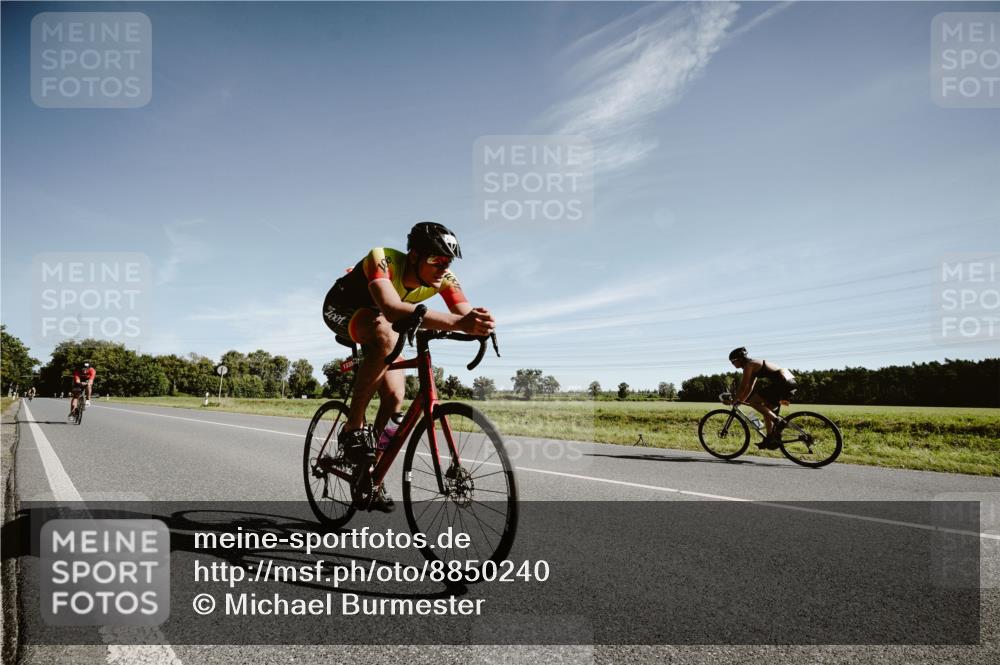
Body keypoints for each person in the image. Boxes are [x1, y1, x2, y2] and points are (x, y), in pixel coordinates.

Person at [322, 222, 495, 511]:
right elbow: (390, 308)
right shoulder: (382, 258)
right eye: (436, 259)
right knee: (385, 331)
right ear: (414, 255)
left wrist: (480, 324)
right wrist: (460, 323)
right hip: (342, 309)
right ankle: (352, 427)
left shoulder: (445, 278)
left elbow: (463, 315)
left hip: (382, 321)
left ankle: (369, 475)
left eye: (448, 261)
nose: (443, 267)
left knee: (394, 399)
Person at [725, 347, 797, 449]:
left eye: (733, 362)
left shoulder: (749, 365)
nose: (732, 364)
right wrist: (740, 401)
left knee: (754, 402)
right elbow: (749, 387)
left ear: (739, 359)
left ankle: (778, 421)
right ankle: (770, 439)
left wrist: (735, 398)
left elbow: (743, 386)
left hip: (782, 383)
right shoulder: (753, 365)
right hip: (788, 382)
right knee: (767, 410)